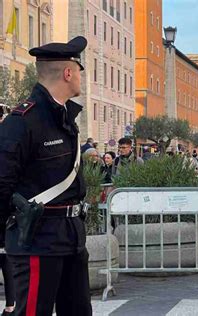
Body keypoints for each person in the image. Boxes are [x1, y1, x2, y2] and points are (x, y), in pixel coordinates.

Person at [0, 36, 92, 315]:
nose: (79, 77)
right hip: (37, 240)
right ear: (68, 72)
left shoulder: (64, 118)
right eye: (78, 70)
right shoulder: (23, 122)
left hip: (71, 238)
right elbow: (2, 182)